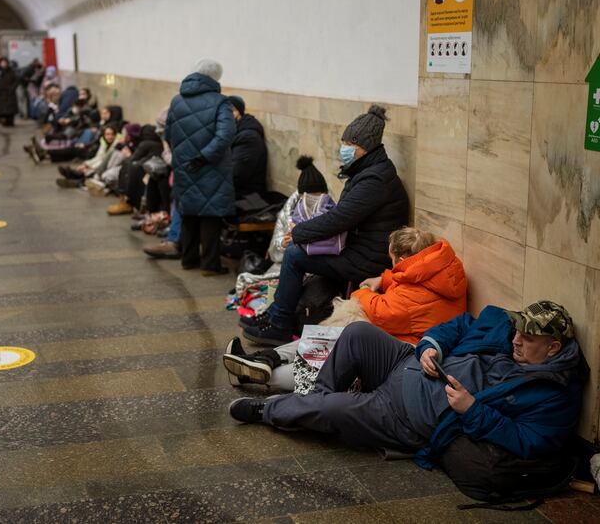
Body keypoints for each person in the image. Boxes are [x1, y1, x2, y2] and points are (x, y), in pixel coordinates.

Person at [229, 301, 588, 471]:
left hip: (406, 415)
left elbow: (530, 441)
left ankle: (272, 411)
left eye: (527, 340)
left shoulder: (554, 394)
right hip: (407, 362)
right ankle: (310, 405)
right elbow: (459, 324)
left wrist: (472, 409)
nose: (516, 342)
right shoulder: (507, 331)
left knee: (335, 409)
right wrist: (432, 346)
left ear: (553, 348)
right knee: (357, 333)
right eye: (518, 334)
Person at [242, 104, 409, 345]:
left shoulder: (374, 179)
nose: (345, 149)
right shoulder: (368, 172)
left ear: (366, 147)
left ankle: (279, 323)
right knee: (299, 253)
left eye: (350, 144)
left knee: (295, 254)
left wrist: (300, 233)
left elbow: (340, 218)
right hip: (359, 250)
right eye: (344, 142)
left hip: (369, 259)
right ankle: (275, 314)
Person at [223, 227, 468, 389]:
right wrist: (382, 279)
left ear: (403, 260)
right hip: (405, 339)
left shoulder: (414, 294)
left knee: (328, 358)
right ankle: (264, 359)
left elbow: (384, 310)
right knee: (330, 337)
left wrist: (363, 291)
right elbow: (406, 278)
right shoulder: (439, 269)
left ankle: (256, 373)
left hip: (406, 354)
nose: (391, 266)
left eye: (392, 260)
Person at [166, 58, 236, 276]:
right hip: (211, 166)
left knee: (188, 213)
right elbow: (226, 134)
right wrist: (204, 157)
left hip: (184, 165)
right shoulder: (221, 102)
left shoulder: (177, 101)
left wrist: (184, 156)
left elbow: (169, 133)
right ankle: (210, 264)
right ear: (215, 78)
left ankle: (188, 259)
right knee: (210, 216)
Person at [107, 124, 164, 215]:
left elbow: (132, 159)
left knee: (127, 166)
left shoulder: (145, 144)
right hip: (152, 170)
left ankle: (126, 202)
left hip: (146, 172)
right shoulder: (157, 144)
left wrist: (128, 156)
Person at [228, 96, 267, 199]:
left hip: (246, 195)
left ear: (236, 113)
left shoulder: (248, 138)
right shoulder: (234, 132)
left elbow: (236, 176)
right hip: (234, 190)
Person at [0, 57, 18, 126]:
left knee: (11, 109)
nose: (3, 64)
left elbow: (16, 80)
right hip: (1, 93)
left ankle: (10, 121)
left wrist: (12, 88)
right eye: (2, 63)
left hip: (10, 93)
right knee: (3, 109)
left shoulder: (11, 71)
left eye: (5, 63)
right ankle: (4, 121)